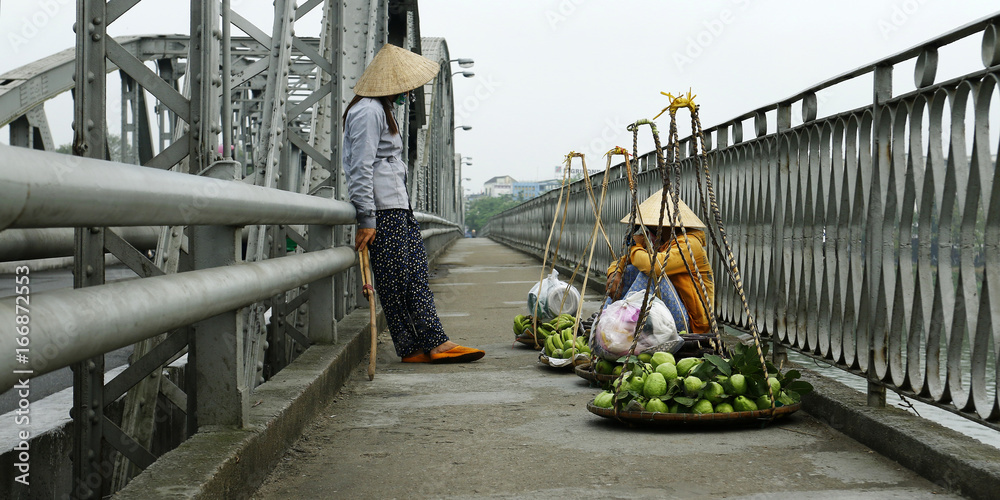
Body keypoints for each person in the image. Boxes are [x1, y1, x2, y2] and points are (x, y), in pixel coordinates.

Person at [342, 44, 484, 363]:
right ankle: (418, 347)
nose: (410, 89)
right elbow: (360, 167)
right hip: (382, 209)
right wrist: (366, 219)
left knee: (414, 274)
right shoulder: (367, 111)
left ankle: (429, 342)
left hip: (397, 206)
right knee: (397, 281)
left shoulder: (380, 108)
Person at [606, 190, 715, 334]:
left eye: (649, 229)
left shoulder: (690, 245)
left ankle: (616, 326)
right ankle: (607, 319)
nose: (647, 234)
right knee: (631, 270)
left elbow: (652, 267)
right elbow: (626, 260)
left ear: (662, 228)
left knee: (650, 273)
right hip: (665, 316)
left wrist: (634, 244)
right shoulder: (661, 244)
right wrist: (615, 272)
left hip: (691, 324)